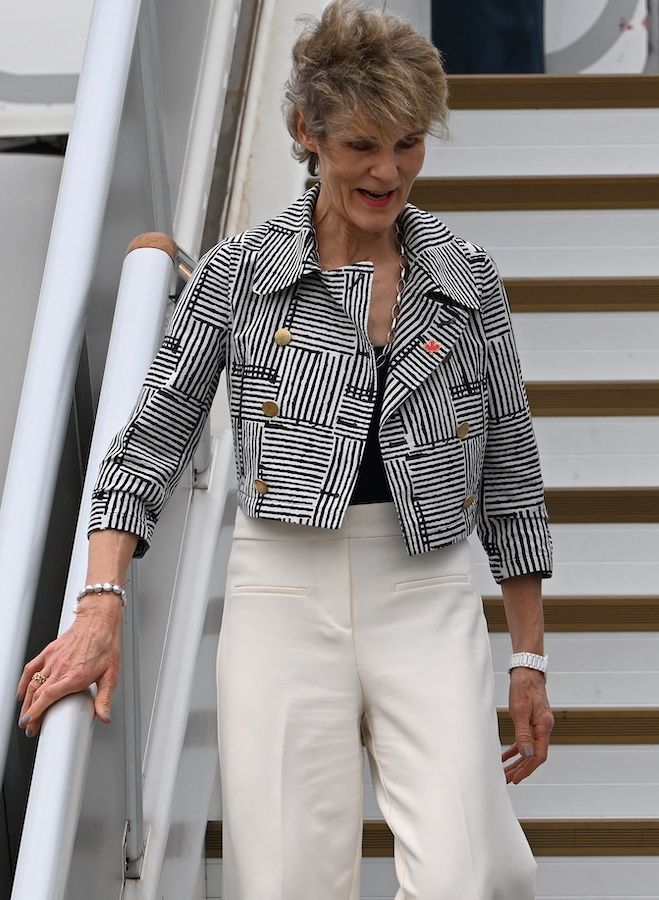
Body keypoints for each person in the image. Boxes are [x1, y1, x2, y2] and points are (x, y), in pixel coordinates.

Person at [16, 2, 553, 897]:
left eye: (409, 144)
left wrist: (529, 658)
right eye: (362, 145)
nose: (388, 172)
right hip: (281, 591)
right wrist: (100, 604)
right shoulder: (239, 272)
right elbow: (148, 444)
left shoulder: (466, 275)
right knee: (286, 879)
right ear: (307, 132)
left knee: (476, 869)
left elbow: (511, 477)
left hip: (427, 588)